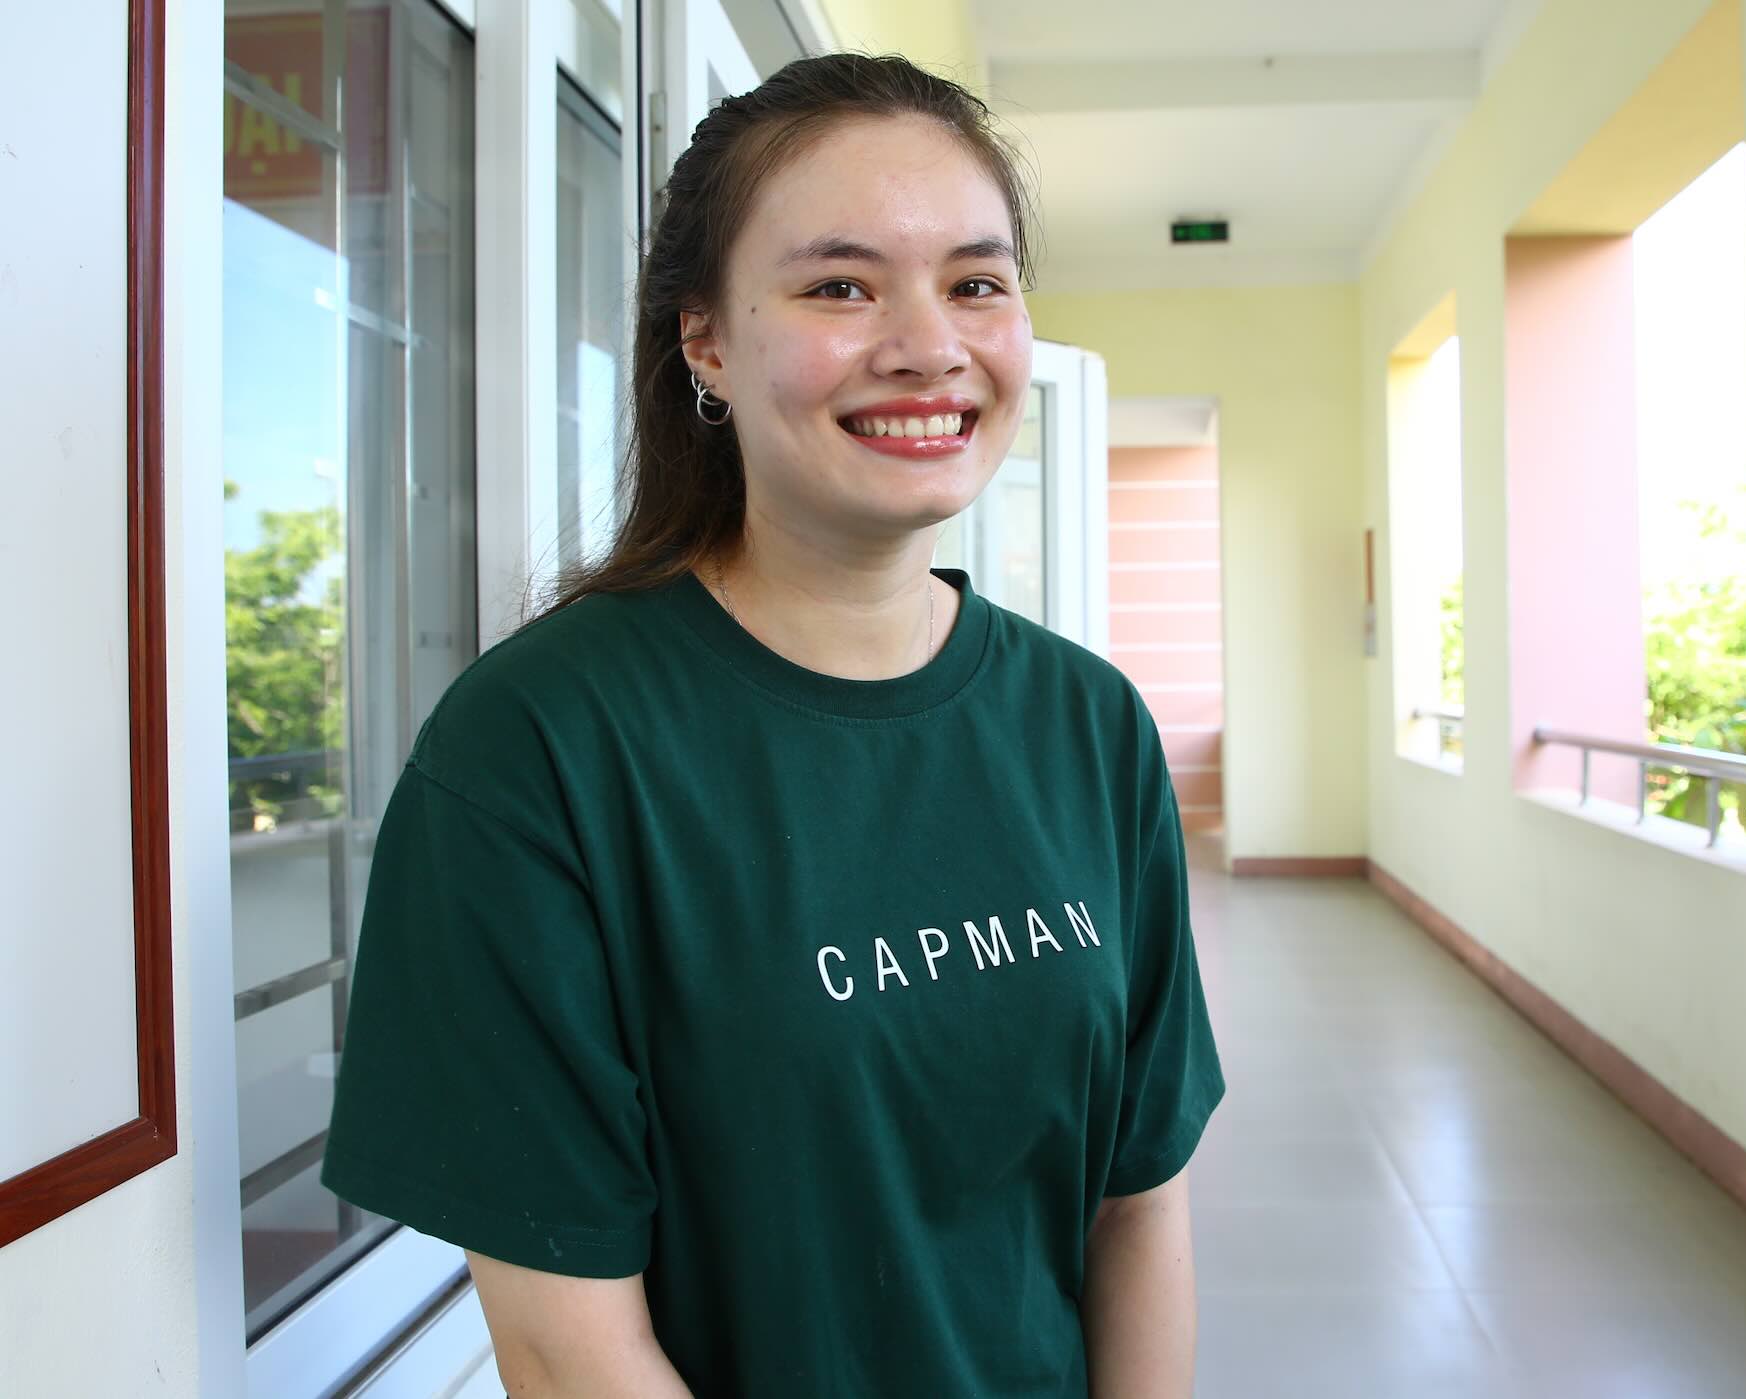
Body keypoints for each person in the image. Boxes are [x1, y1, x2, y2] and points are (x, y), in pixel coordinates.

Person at [320, 51, 1226, 1399]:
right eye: (840, 286)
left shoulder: (1086, 725)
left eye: (977, 281)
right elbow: (572, 1353)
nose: (929, 344)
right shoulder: (537, 753)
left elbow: (1137, 1203)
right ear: (706, 339)